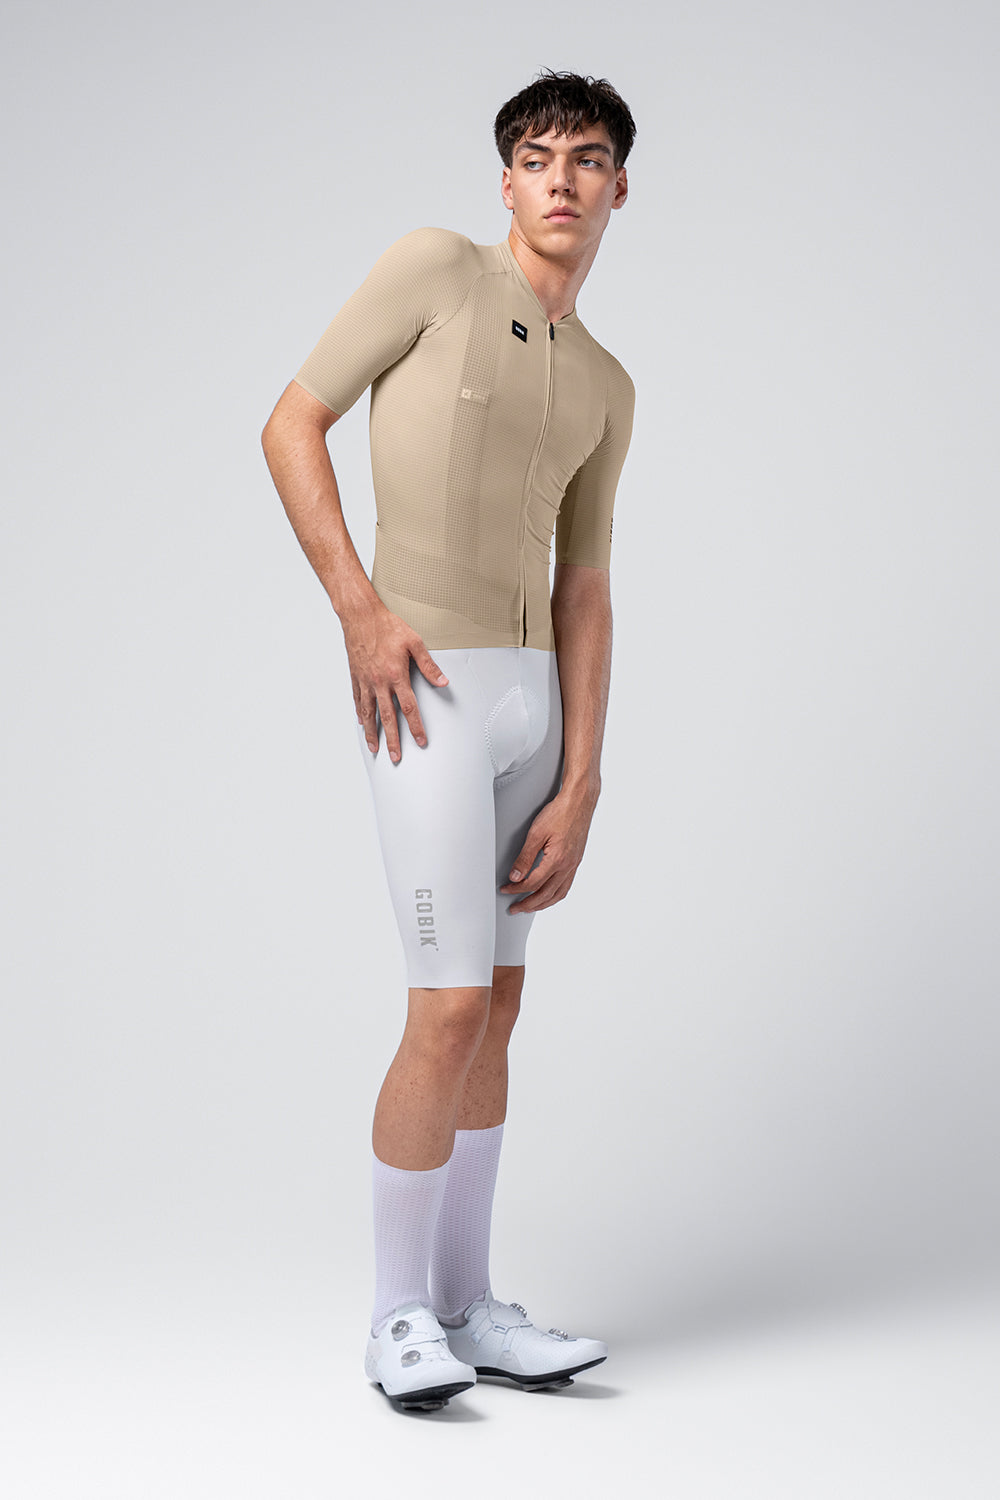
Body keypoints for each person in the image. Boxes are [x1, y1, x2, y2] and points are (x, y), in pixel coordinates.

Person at [262, 70, 636, 1413]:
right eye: (535, 156)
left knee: (504, 1010)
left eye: (584, 159)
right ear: (505, 180)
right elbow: (290, 422)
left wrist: (583, 778)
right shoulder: (436, 270)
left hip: (536, 712)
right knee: (450, 1004)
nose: (559, 180)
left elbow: (587, 588)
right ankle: (395, 1317)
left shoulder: (608, 382)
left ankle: (471, 1306)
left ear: (619, 188)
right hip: (425, 688)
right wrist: (359, 612)